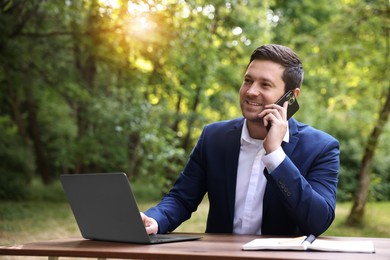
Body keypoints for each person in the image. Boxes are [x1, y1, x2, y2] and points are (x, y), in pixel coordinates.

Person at [141, 44, 340, 236]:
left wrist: (275, 155)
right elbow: (181, 198)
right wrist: (155, 220)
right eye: (248, 80)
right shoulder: (213, 138)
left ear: (291, 97)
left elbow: (318, 221)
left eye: (265, 84)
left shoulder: (321, 148)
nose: (251, 91)